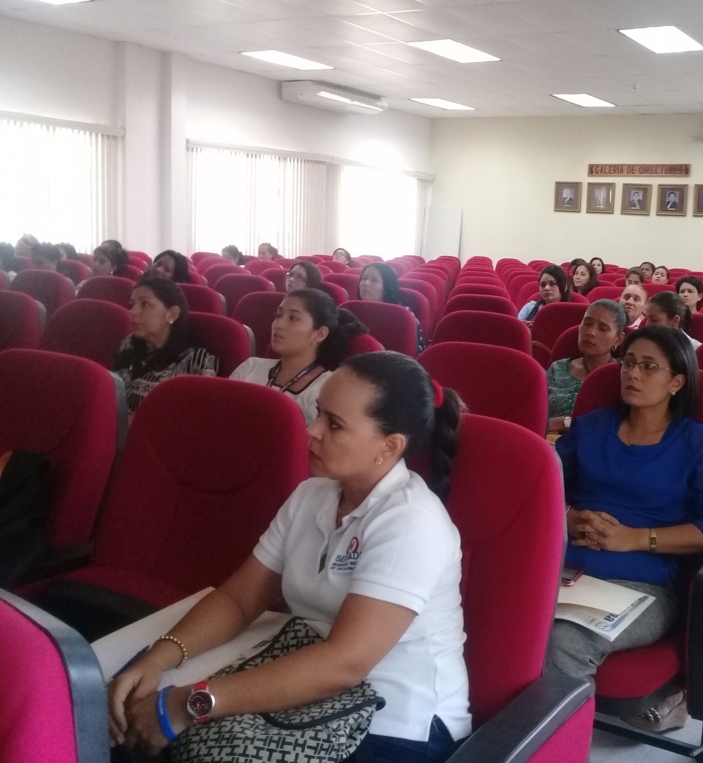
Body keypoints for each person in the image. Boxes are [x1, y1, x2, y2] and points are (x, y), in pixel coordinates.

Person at [108, 351, 471, 762]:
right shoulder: (311, 496)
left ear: (389, 446)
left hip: (395, 723)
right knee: (132, 730)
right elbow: (238, 600)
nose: (311, 431)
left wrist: (190, 704)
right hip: (310, 689)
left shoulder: (411, 522)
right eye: (318, 413)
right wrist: (158, 658)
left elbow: (344, 664)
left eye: (333, 424)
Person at [546, 326, 703, 732]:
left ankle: (557, 746)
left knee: (563, 642)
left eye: (649, 366)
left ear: (676, 382)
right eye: (628, 363)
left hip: (643, 588)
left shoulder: (696, 444)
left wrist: (635, 538)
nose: (633, 374)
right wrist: (564, 516)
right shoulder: (592, 427)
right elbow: (543, 487)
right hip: (563, 571)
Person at [230, 289, 346, 425]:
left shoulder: (326, 389)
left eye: (293, 318)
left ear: (320, 334)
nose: (278, 325)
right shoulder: (250, 367)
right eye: (278, 315)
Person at [113, 276, 218, 418]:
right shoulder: (129, 344)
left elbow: (194, 419)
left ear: (172, 314)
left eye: (145, 304)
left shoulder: (197, 361)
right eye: (132, 305)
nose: (133, 312)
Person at [546, 300, 626, 434]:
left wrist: (566, 422)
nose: (591, 332)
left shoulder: (622, 376)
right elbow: (537, 415)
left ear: (618, 339)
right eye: (587, 323)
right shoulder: (557, 368)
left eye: (603, 328)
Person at [359, 262, 425, 353]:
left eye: (374, 280)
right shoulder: (352, 309)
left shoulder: (403, 315)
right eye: (364, 278)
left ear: (386, 288)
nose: (366, 283)